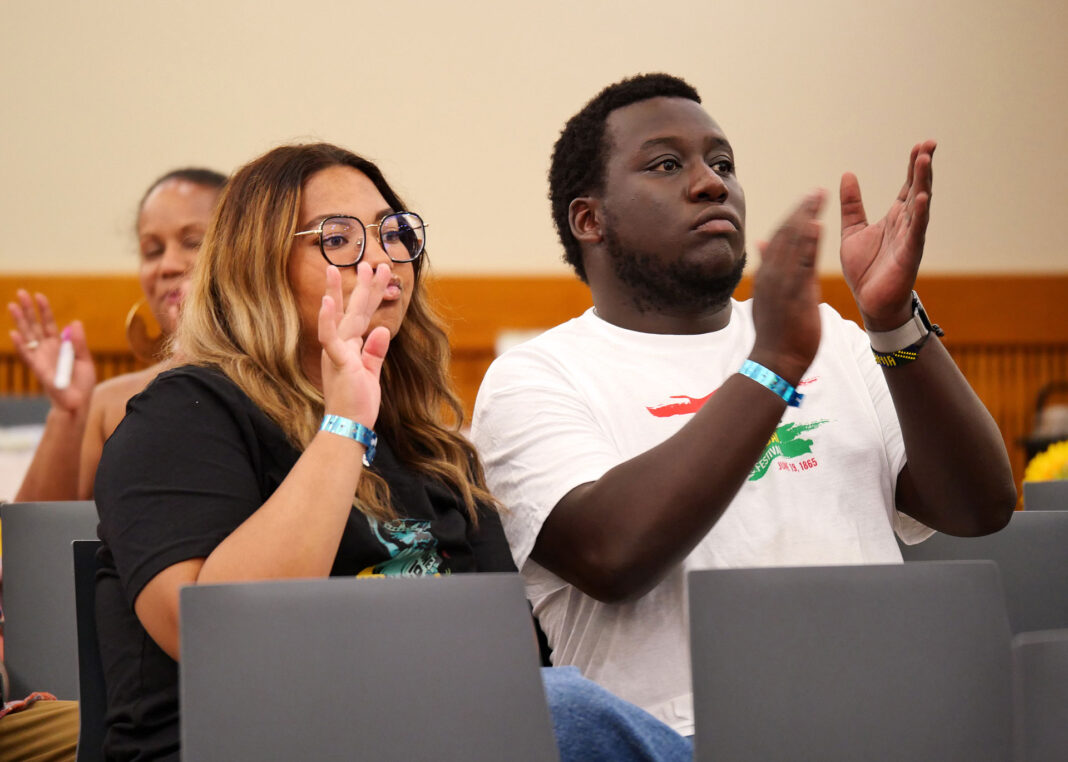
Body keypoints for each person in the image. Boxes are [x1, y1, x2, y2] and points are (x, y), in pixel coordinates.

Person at [93, 143, 692, 761]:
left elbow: (510, 659)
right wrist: (345, 422)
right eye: (339, 239)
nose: (383, 259)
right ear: (256, 264)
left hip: (431, 732)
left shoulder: (430, 450)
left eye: (395, 233)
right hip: (248, 743)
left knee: (563, 705)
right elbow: (215, 633)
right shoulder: (183, 416)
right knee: (567, 709)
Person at [470, 73, 1017, 736]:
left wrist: (893, 322)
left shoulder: (834, 340)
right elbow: (613, 555)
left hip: (885, 724)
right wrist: (775, 365)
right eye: (667, 165)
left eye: (722, 163)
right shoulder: (535, 377)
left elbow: (979, 506)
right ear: (590, 219)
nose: (710, 183)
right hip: (675, 742)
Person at [7, 167, 227, 501]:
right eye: (152, 251)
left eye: (193, 242)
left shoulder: (279, 386)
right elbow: (36, 542)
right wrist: (68, 415)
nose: (167, 265)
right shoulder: (108, 404)